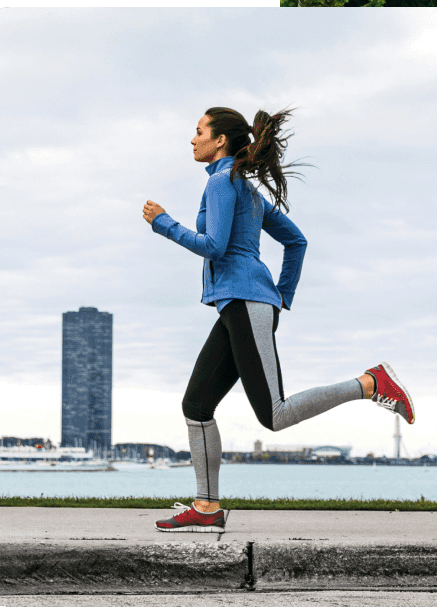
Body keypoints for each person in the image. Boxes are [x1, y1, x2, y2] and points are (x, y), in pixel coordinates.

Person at [143, 106, 414, 534]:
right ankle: (207, 506)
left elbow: (214, 247)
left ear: (220, 142)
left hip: (246, 303)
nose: (191, 140)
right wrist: (281, 295)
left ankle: (370, 383)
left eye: (198, 132)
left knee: (275, 414)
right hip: (241, 304)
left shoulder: (221, 183)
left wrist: (165, 224)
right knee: (196, 406)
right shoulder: (244, 189)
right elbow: (296, 241)